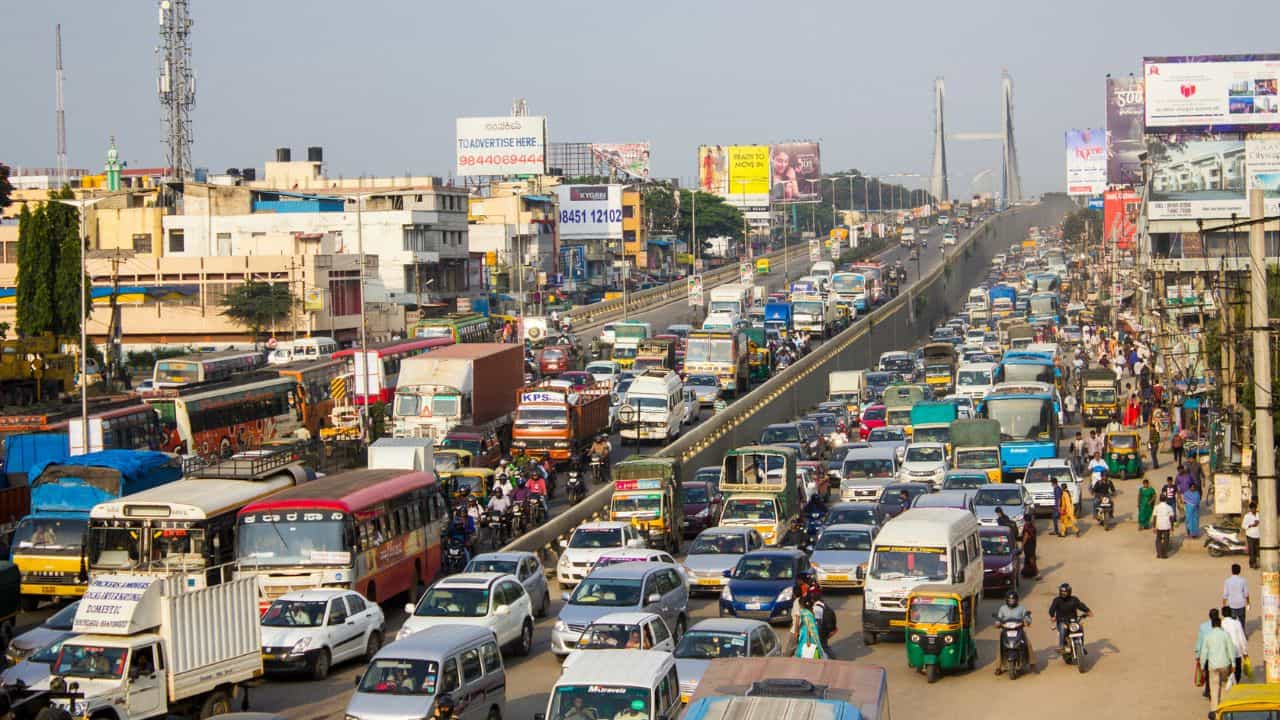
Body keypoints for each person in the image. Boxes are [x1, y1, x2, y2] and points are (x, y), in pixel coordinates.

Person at [1200, 611, 1237, 708]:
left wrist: (1202, 666)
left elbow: (1204, 653)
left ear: (1212, 625)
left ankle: (1215, 711)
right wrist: (1233, 664)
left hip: (1213, 666)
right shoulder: (1225, 635)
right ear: (1220, 624)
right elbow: (1231, 650)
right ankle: (1225, 707)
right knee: (1225, 686)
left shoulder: (1208, 636)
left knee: (1214, 688)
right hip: (1225, 665)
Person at [993, 590, 1035, 673]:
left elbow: (1027, 617)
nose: (1011, 601)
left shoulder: (1021, 608)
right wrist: (997, 623)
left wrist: (1027, 621)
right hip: (1005, 630)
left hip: (1018, 629)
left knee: (1028, 644)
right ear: (1007, 600)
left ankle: (1032, 663)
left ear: (1016, 600)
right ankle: (998, 667)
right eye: (1009, 600)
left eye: (1013, 600)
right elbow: (999, 618)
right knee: (999, 646)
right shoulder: (1003, 608)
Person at [1047, 583, 1091, 654]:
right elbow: (1052, 609)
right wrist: (1052, 616)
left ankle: (1081, 646)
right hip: (1062, 621)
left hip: (1073, 622)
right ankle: (1061, 646)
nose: (1063, 593)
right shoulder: (1057, 600)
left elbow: (1080, 605)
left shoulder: (1074, 599)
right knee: (1062, 628)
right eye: (1062, 591)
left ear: (1069, 591)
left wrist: (1087, 611)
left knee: (1080, 628)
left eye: (1065, 591)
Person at [1220, 603, 1248, 683]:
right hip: (1237, 651)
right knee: (1237, 672)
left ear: (1222, 614)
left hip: (1226, 653)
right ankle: (1236, 684)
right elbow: (1242, 638)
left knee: (1228, 671)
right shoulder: (1237, 623)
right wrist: (1245, 652)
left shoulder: (1221, 624)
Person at [794, 594, 824, 658]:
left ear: (801, 604)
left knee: (804, 648)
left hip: (807, 633)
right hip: (814, 631)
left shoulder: (802, 612)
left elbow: (807, 626)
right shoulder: (811, 611)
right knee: (814, 647)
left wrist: (797, 632)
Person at [1224, 563, 1249, 629]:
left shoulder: (1227, 581)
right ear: (1239, 571)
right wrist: (1248, 603)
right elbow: (1246, 594)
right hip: (1241, 604)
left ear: (1232, 571)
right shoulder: (1243, 580)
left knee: (1233, 623)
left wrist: (1224, 604)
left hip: (1232, 604)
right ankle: (1243, 636)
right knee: (1242, 622)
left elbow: (1225, 594)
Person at [1020, 515, 1040, 579]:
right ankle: (1028, 573)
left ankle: (1036, 573)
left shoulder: (1026, 527)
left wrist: (1022, 546)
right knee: (1029, 558)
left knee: (1031, 559)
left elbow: (1025, 537)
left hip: (1028, 545)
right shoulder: (1032, 525)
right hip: (1033, 544)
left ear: (1025, 520)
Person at [1244, 501, 1261, 569]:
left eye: (1254, 508)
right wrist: (1251, 525)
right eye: (1252, 508)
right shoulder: (1247, 516)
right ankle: (1253, 564)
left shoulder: (1259, 515)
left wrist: (1258, 523)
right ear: (1250, 509)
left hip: (1258, 535)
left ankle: (1254, 563)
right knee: (1252, 551)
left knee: (1257, 551)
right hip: (1250, 535)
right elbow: (1243, 526)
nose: (1253, 509)